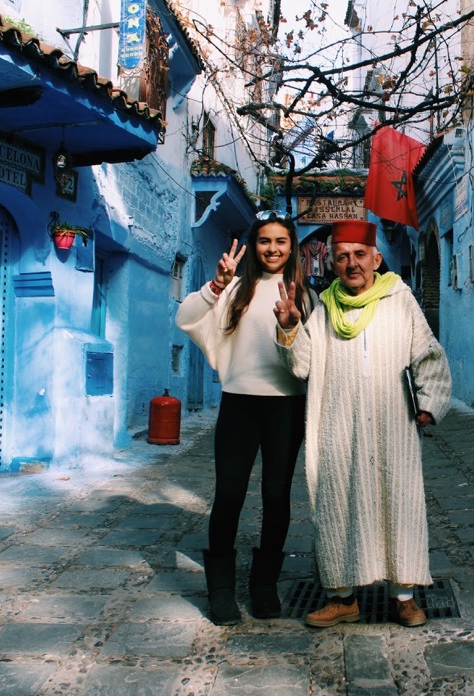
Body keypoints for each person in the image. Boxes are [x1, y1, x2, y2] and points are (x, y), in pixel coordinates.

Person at [274, 219, 452, 628]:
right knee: (337, 504)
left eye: (358, 255)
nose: (351, 263)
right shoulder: (323, 309)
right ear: (333, 264)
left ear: (376, 258)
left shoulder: (400, 298)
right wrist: (289, 326)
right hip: (337, 425)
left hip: (393, 424)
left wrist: (429, 403)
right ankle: (342, 597)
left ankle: (404, 596)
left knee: (399, 503)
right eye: (342, 257)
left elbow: (428, 353)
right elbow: (300, 365)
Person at [175, 211, 314, 625]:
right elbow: (185, 318)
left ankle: (264, 582)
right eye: (264, 241)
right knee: (230, 495)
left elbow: (314, 358)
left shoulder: (306, 297)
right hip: (238, 404)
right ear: (254, 246)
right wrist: (216, 283)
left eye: (281, 242)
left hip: (286, 406)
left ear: (292, 248)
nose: (272, 248)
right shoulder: (233, 289)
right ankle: (220, 590)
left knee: (277, 497)